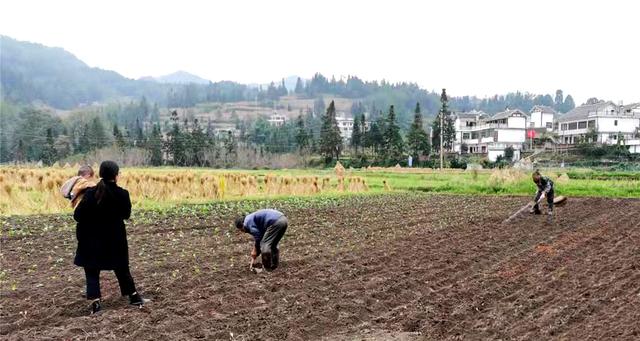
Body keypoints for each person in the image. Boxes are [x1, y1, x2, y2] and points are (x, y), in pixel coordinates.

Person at [73, 161, 147, 314]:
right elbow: (126, 215)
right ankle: (134, 298)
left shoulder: (89, 193)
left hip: (91, 241)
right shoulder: (122, 194)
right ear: (116, 175)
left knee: (92, 271)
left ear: (100, 174)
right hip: (114, 240)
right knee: (121, 268)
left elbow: (77, 215)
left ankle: (96, 304)